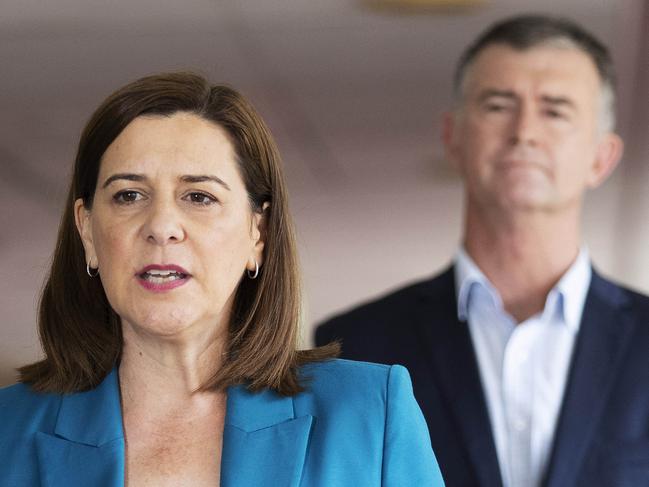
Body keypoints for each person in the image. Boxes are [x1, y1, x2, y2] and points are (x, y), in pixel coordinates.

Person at [0, 72, 444, 486]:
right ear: (87, 230)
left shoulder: (368, 411)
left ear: (258, 232)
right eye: (129, 195)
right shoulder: (8, 432)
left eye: (199, 196)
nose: (163, 225)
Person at [316, 14, 649, 487]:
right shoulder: (356, 347)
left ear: (602, 158)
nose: (524, 133)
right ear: (452, 137)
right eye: (498, 105)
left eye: (555, 110)